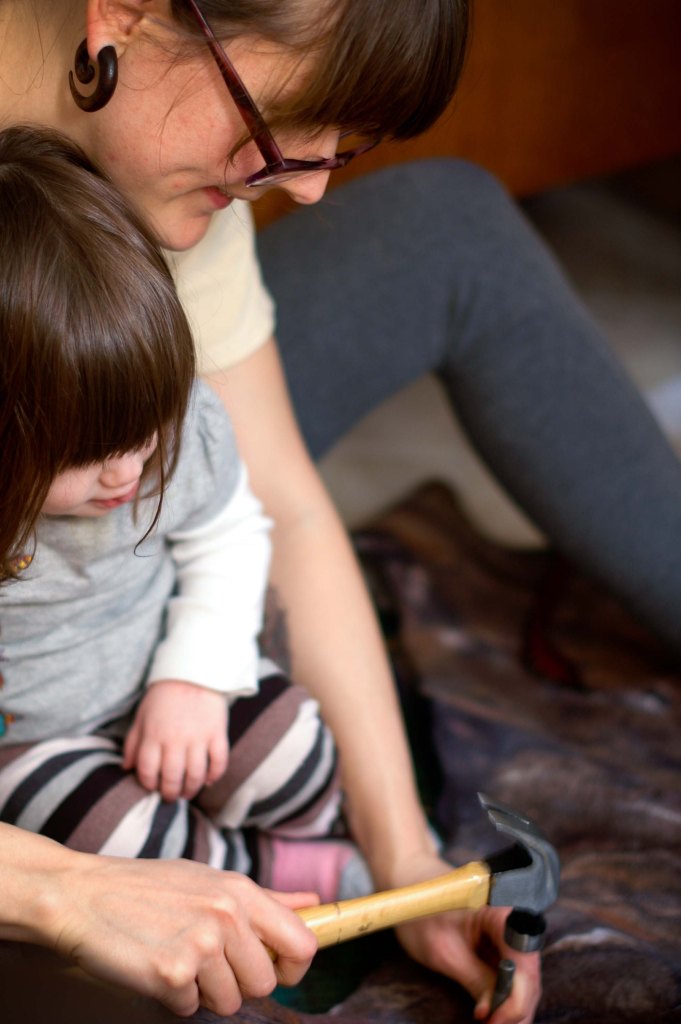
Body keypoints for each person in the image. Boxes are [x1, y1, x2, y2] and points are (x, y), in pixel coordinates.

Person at [2, 0, 679, 1021]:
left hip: (116, 568)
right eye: (288, 131)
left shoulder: (173, 202)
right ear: (125, 14)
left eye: (340, 151)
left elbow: (280, 511)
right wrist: (67, 893)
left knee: (447, 225)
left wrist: (407, 859)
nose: (311, 188)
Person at [0, 123, 356, 1015]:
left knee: (295, 744)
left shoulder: (174, 430)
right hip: (33, 738)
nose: (126, 473)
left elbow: (229, 534)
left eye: (141, 437)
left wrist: (196, 673)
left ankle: (307, 852)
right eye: (87, 456)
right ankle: (247, 901)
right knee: (130, 844)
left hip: (165, 670)